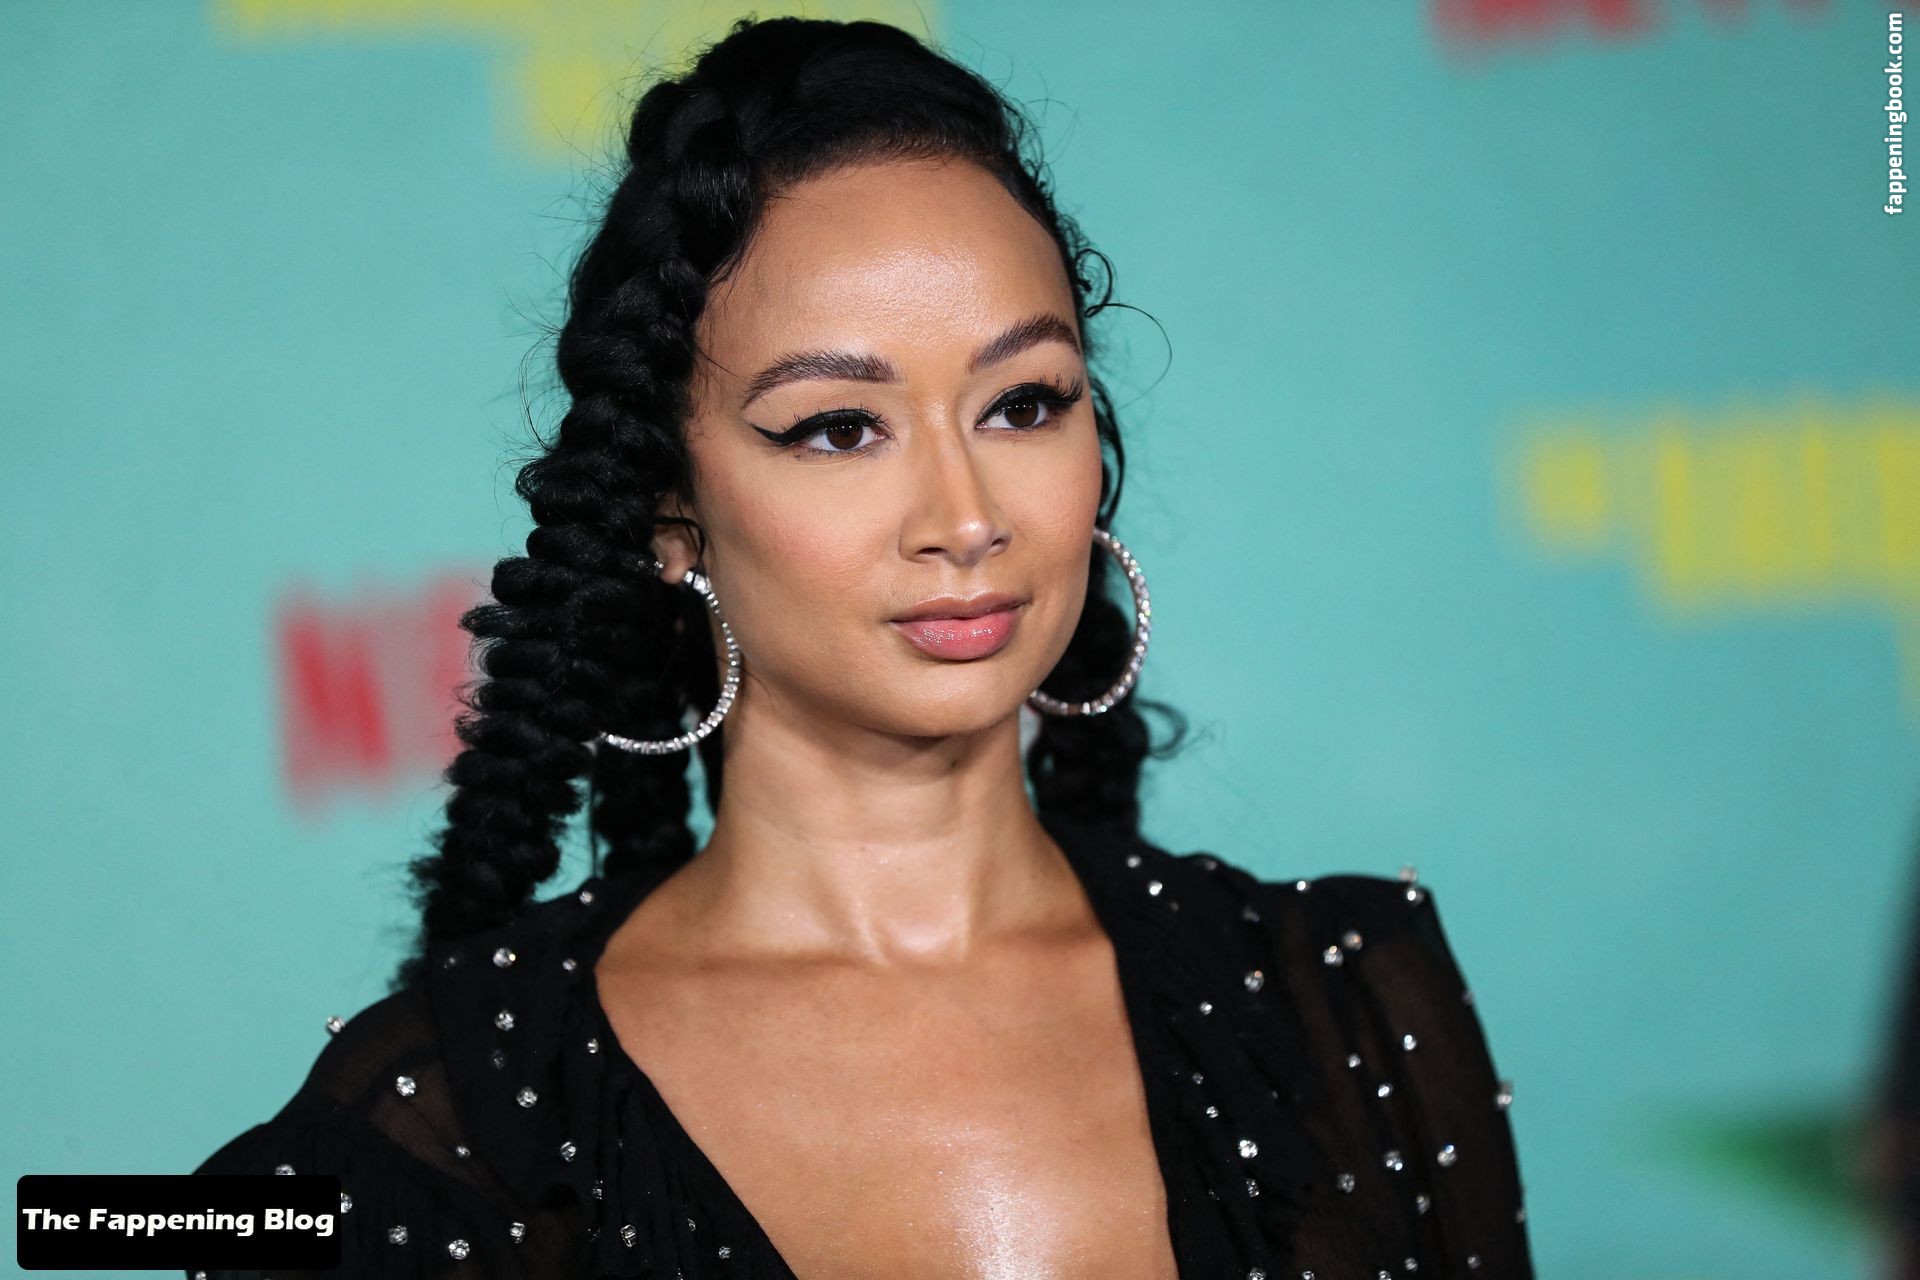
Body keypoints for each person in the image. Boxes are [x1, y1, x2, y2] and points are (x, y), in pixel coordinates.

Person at [188, 15, 1534, 1278]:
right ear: (670, 515)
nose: (966, 517)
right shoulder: (439, 1131)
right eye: (839, 428)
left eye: (1024, 404)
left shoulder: (1344, 1002)